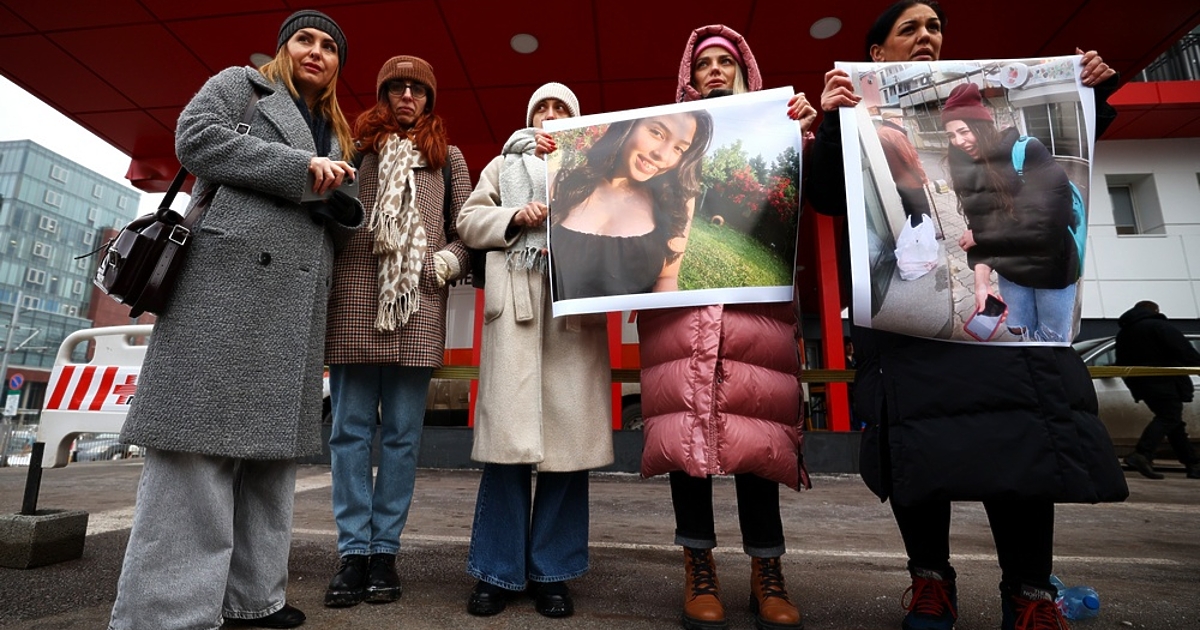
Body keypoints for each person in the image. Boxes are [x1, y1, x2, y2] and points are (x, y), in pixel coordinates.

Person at [808, 2, 1129, 629]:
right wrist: (829, 122)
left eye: (934, 28)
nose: (926, 36)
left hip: (995, 316)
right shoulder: (854, 121)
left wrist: (1093, 92)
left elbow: (1054, 183)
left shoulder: (1001, 139)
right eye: (909, 29)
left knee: (1022, 444)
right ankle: (931, 583)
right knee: (919, 455)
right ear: (876, 54)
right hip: (912, 329)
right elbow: (824, 198)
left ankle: (1030, 593)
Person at [109, 10, 361, 630]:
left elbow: (332, 203)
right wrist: (298, 170)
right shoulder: (239, 85)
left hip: (295, 305)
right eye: (306, 39)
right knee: (195, 457)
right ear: (283, 47)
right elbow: (194, 138)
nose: (317, 51)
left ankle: (253, 601)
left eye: (330, 47)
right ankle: (167, 616)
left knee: (271, 464)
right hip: (224, 293)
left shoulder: (335, 127)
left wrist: (347, 209)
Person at [636, 24, 817, 630]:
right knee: (689, 446)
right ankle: (699, 568)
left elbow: (821, 197)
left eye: (726, 63)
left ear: (744, 74)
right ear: (690, 76)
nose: (715, 70)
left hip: (755, 324)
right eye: (705, 63)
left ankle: (768, 573)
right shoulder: (669, 146)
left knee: (755, 443)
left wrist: (811, 135)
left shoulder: (782, 128)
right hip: (678, 322)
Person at [455, 83, 611, 619]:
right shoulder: (501, 166)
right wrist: (513, 217)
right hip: (516, 315)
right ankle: (496, 573)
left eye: (561, 110)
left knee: (568, 452)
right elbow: (469, 222)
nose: (549, 117)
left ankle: (553, 573)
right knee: (508, 450)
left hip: (572, 315)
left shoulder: (596, 166)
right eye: (541, 109)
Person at [321, 55, 471, 608]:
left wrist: (445, 264)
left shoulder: (447, 158)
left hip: (416, 307)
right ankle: (353, 554)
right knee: (349, 433)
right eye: (396, 89)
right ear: (383, 97)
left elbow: (465, 233)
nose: (407, 96)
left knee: (403, 439)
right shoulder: (355, 150)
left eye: (417, 90)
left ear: (429, 100)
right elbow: (328, 220)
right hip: (356, 300)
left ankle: (385, 553)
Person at [941, 82, 1080, 343]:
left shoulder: (1028, 152)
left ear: (982, 127)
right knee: (1019, 332)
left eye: (964, 131)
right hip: (1012, 271)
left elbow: (1046, 228)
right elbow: (977, 227)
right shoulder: (967, 168)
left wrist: (981, 236)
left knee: (1051, 339)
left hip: (1052, 267)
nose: (958, 141)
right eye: (951, 135)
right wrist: (982, 284)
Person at [548, 111, 713, 300]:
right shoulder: (560, 184)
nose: (663, 155)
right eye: (657, 133)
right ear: (629, 124)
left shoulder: (677, 203)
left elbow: (666, 279)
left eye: (679, 149)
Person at [1115, 300, 1200, 480]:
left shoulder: (1125, 333)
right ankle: (1142, 453)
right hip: (1165, 382)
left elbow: (1121, 362)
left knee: (1174, 423)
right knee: (1169, 417)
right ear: (1154, 311)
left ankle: (1192, 464)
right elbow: (1183, 350)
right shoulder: (1159, 326)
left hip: (1141, 384)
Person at [877, 110, 932, 221]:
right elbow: (911, 159)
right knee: (922, 211)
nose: (901, 122)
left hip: (899, 180)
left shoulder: (880, 132)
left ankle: (914, 234)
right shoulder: (895, 134)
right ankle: (926, 233)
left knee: (910, 211)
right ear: (893, 120)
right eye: (899, 119)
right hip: (911, 181)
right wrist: (923, 178)